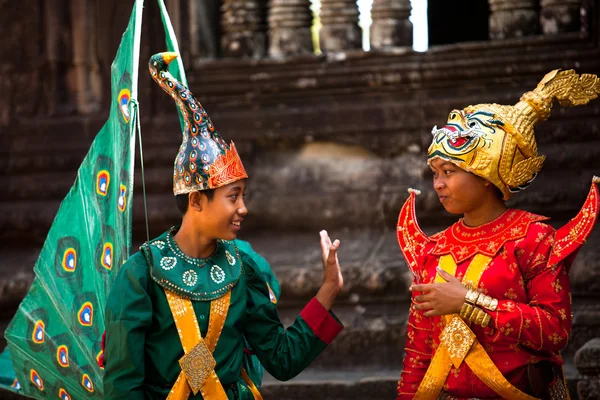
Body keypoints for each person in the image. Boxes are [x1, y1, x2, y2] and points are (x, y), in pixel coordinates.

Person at [102, 52, 344, 400]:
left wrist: (330, 288)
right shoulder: (140, 276)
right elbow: (124, 388)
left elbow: (282, 359)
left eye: (243, 195)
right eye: (233, 197)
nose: (243, 208)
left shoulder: (243, 265)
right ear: (196, 200)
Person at [396, 69, 600, 399]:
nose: (438, 184)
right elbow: (419, 352)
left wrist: (468, 301)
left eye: (449, 172)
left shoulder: (533, 238)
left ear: (487, 176)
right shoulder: (433, 249)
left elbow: (554, 331)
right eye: (435, 173)